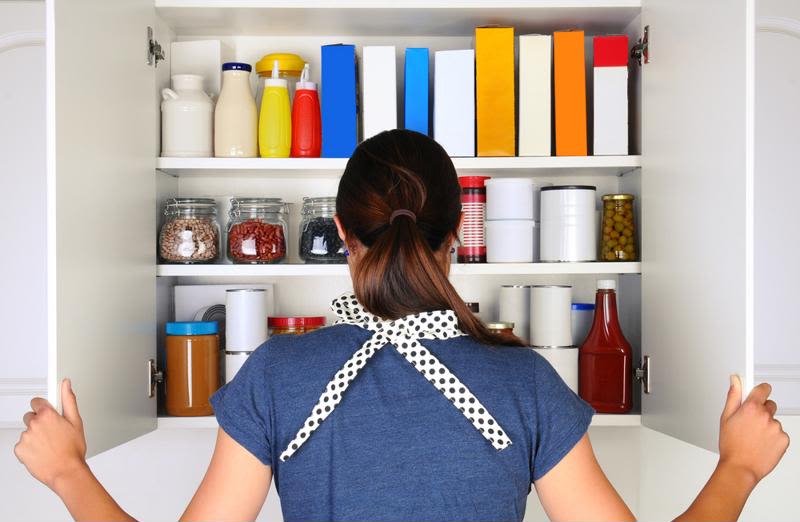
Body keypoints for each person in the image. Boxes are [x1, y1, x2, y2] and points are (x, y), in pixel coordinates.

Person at [14, 130, 789, 521]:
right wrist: (740, 470)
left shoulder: (279, 374)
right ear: (457, 240)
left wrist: (67, 473)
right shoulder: (523, 382)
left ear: (345, 239)